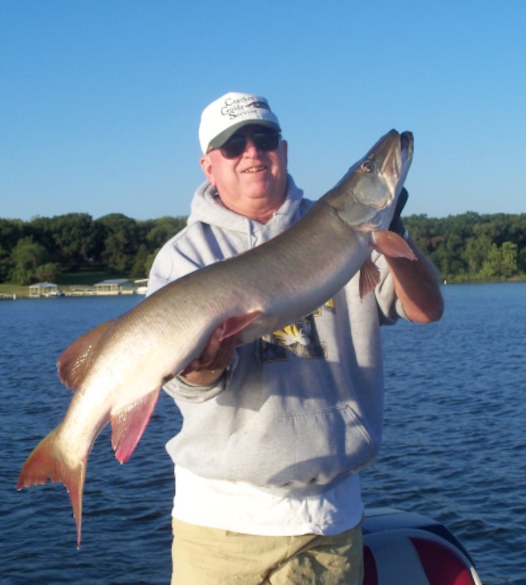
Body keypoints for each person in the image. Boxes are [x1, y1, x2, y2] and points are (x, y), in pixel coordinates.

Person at [146, 92, 444, 585]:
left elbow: (427, 310)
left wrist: (396, 235)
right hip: (217, 527)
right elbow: (183, 382)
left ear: (282, 150)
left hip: (327, 523)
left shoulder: (355, 233)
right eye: (232, 145)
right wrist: (206, 366)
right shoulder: (184, 256)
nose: (251, 152)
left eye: (263, 138)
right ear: (209, 166)